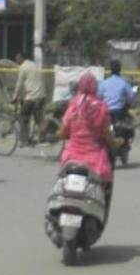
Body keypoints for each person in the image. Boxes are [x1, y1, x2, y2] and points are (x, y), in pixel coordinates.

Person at [57, 72, 121, 204]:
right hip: (95, 159)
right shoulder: (100, 107)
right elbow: (107, 136)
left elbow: (62, 133)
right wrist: (116, 144)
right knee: (105, 184)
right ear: (95, 88)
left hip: (71, 156)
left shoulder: (74, 105)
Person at [12, 52, 47, 145]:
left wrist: (15, 97)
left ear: (21, 58)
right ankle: (41, 135)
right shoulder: (34, 65)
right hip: (42, 96)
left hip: (33, 97)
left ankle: (24, 140)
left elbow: (19, 84)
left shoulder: (23, 67)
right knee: (39, 118)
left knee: (23, 115)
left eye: (17, 58)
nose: (16, 60)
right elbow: (31, 83)